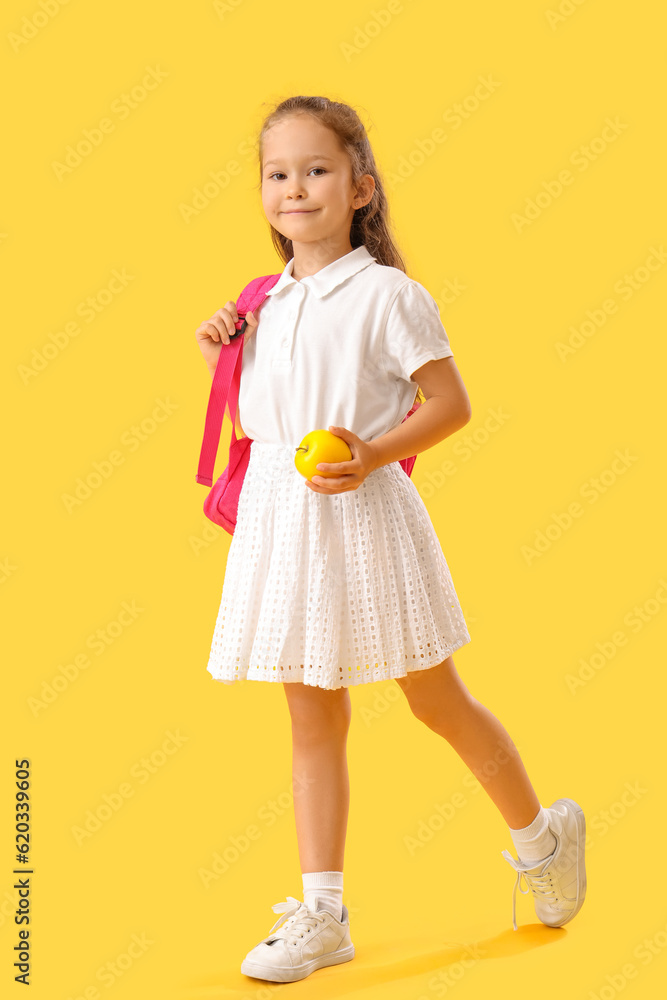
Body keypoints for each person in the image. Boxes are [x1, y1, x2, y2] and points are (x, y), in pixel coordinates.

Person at [194, 95, 586, 984]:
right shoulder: (263, 300)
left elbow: (450, 404)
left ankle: (540, 840)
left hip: (362, 514)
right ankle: (322, 911)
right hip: (281, 520)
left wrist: (374, 454)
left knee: (434, 699)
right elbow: (266, 407)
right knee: (308, 713)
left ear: (361, 187)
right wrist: (220, 343)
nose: (295, 187)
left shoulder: (387, 295)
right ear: (262, 191)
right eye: (278, 173)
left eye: (317, 170)